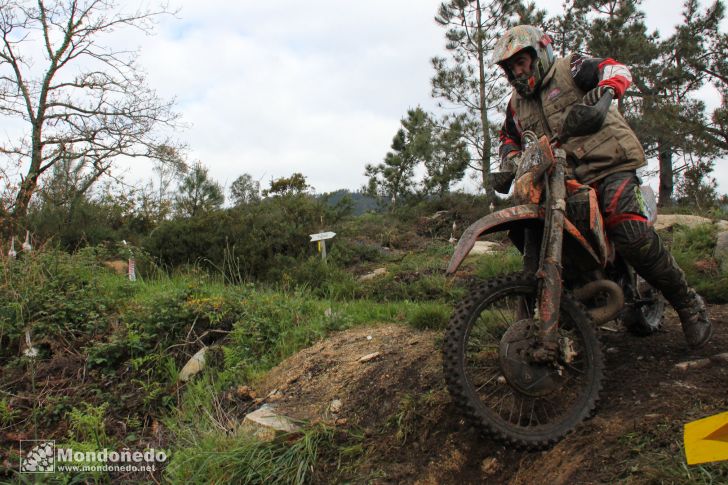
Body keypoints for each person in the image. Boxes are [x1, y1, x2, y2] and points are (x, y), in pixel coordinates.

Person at [492, 25, 712, 348]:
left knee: (630, 232)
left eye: (522, 61)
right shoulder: (516, 105)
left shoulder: (571, 69)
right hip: (564, 180)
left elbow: (615, 68)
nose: (517, 71)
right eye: (510, 67)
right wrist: (509, 161)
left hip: (610, 164)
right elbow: (508, 137)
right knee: (534, 230)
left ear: (540, 54)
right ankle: (558, 320)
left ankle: (688, 303)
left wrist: (606, 92)